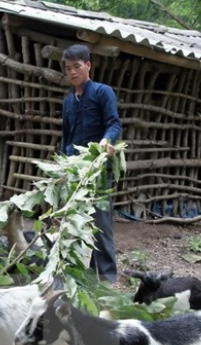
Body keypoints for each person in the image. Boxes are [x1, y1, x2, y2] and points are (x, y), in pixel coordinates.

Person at [60, 44, 122, 284]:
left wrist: (107, 140)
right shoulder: (68, 102)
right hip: (74, 171)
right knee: (72, 226)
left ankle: (106, 284)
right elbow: (66, 138)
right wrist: (62, 167)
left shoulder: (102, 92)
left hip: (98, 171)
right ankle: (77, 281)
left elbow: (114, 123)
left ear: (88, 65)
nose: (73, 72)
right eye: (68, 68)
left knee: (101, 227)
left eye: (77, 66)